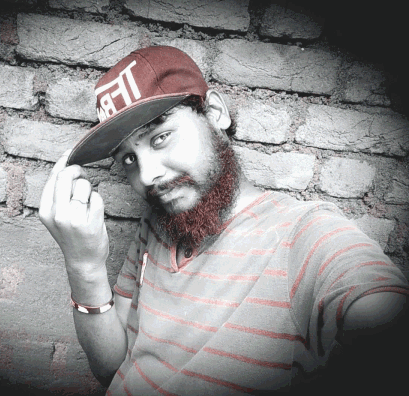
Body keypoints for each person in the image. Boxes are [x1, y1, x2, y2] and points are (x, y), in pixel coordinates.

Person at [39, 46, 408, 395]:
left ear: (215, 113)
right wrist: (84, 266)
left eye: (161, 137)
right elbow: (110, 367)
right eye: (129, 159)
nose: (147, 176)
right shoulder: (156, 224)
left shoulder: (305, 235)